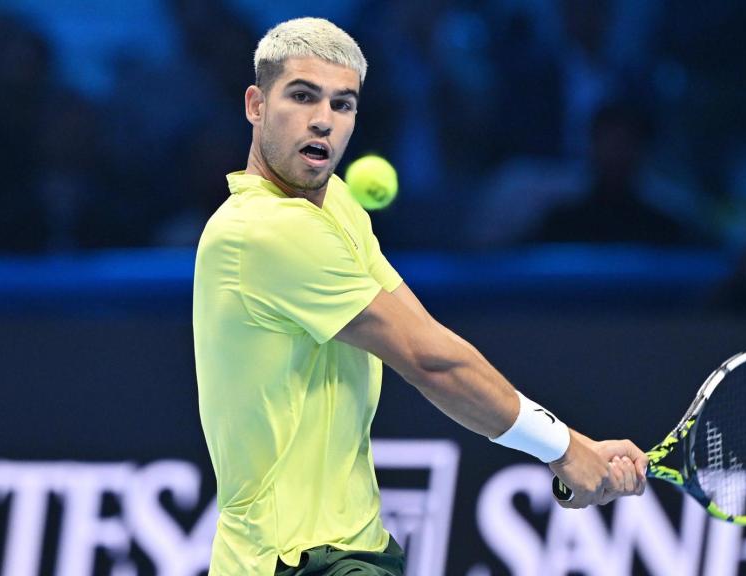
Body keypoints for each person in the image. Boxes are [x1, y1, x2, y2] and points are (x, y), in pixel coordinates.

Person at [192, 17, 647, 576]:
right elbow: (429, 361)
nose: (322, 121)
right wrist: (562, 449)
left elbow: (425, 334)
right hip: (291, 561)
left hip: (358, 548)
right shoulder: (262, 230)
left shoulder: (335, 204)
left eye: (343, 104)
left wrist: (574, 444)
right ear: (255, 105)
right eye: (302, 96)